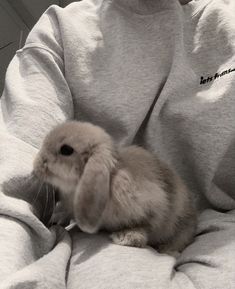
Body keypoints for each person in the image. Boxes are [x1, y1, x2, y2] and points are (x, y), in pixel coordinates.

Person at [0, 0, 235, 288]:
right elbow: (11, 191)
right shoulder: (60, 30)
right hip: (84, 256)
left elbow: (154, 204)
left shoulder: (228, 24)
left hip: (199, 235)